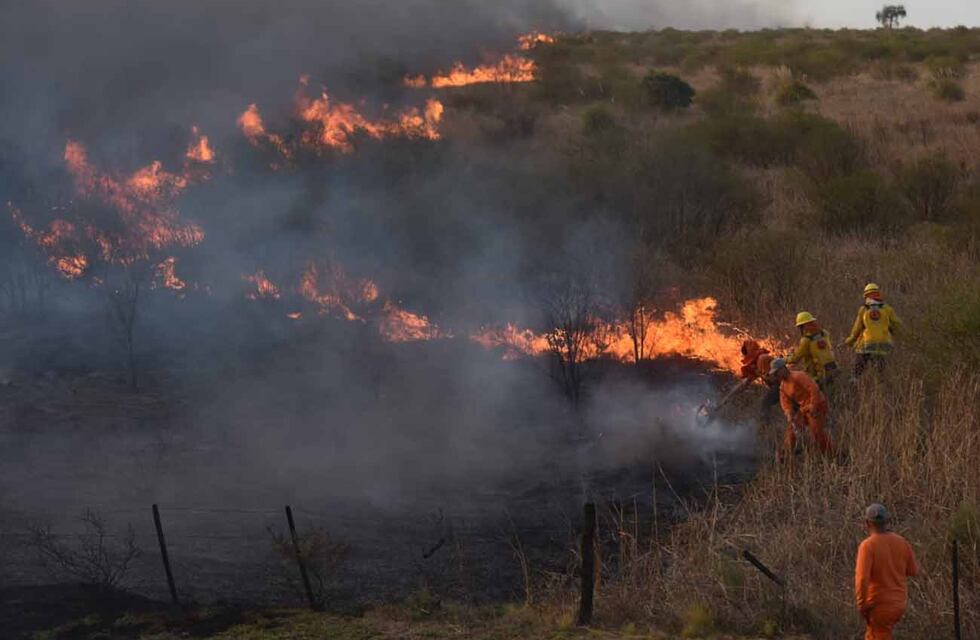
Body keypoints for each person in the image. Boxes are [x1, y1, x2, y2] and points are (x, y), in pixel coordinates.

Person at [855, 503, 918, 640]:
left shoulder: (867, 546)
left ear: (867, 523)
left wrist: (862, 605)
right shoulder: (902, 542)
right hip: (899, 603)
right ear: (887, 521)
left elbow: (862, 579)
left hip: (879, 606)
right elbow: (913, 570)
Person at [769, 358, 834, 458]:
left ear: (783, 369)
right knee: (791, 432)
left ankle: (832, 455)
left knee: (816, 432)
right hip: (804, 409)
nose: (776, 376)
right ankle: (785, 456)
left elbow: (814, 389)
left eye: (777, 373)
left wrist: (814, 405)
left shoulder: (798, 376)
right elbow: (785, 402)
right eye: (775, 374)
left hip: (817, 405)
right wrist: (789, 414)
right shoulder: (782, 386)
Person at [845, 284, 902, 378]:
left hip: (867, 344)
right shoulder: (887, 309)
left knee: (857, 371)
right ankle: (882, 386)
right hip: (883, 344)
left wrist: (849, 341)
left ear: (866, 296)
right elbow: (897, 325)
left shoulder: (863, 309)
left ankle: (854, 382)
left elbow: (857, 329)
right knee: (880, 372)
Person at [787, 312, 839, 390]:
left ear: (803, 326)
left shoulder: (806, 340)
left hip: (817, 375)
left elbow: (795, 358)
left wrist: (785, 359)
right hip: (832, 368)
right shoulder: (824, 333)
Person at [739, 339, 778, 420]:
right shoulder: (758, 360)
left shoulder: (762, 359)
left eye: (745, 354)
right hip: (779, 385)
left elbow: (772, 378)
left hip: (780, 385)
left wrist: (757, 372)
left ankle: (766, 426)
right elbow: (749, 380)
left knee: (765, 403)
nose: (744, 356)